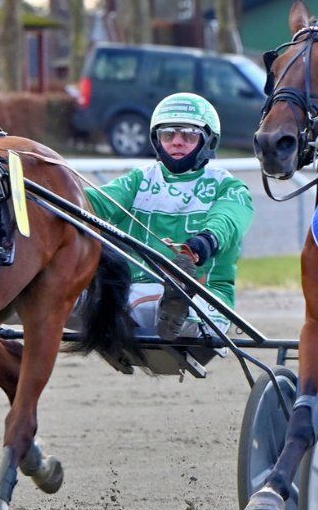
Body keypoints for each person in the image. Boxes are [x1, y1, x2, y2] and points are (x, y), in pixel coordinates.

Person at [84, 92, 255, 340]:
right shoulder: (139, 179)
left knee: (161, 302)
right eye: (168, 135)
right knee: (60, 293)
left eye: (188, 135)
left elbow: (226, 222)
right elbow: (94, 203)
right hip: (127, 293)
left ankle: (175, 300)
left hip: (205, 298)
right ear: (156, 140)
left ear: (208, 140)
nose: (176, 142)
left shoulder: (229, 187)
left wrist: (200, 245)